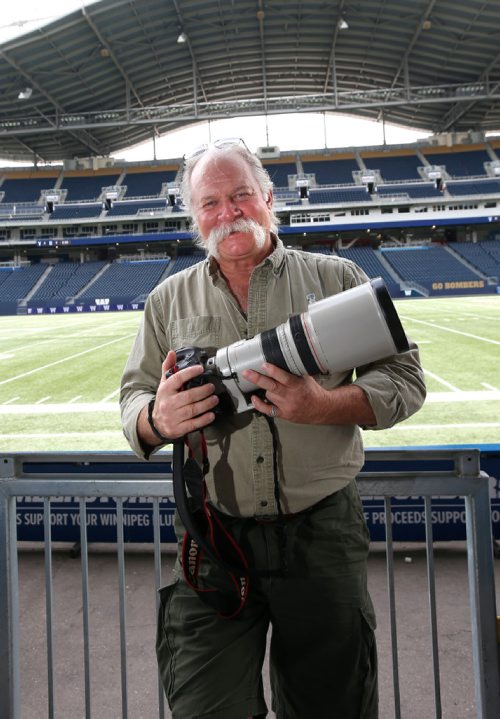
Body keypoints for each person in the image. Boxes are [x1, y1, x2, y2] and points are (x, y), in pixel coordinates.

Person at [120, 139, 426, 719]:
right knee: (204, 705)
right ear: (194, 217)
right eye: (210, 203)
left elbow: (406, 379)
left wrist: (325, 405)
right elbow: (133, 394)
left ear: (267, 197)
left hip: (321, 534)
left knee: (332, 704)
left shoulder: (338, 277)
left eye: (240, 196)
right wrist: (156, 418)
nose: (228, 213)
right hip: (212, 536)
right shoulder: (167, 299)